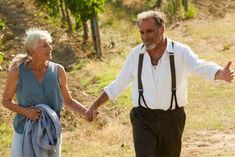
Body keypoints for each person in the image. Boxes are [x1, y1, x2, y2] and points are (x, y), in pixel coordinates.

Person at [87, 10, 234, 157]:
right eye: (142, 32)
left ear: (162, 28)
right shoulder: (135, 55)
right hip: (143, 118)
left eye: (149, 31)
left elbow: (199, 66)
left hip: (172, 118)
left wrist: (220, 73)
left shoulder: (180, 51)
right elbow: (118, 84)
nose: (145, 37)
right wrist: (95, 105)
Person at [1, 28, 92, 157]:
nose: (50, 48)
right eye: (45, 46)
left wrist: (86, 112)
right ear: (33, 50)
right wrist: (26, 112)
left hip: (51, 132)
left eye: (50, 44)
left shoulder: (58, 71)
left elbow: (69, 101)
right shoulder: (17, 72)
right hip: (23, 130)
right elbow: (6, 101)